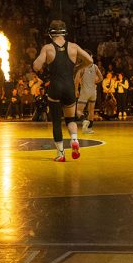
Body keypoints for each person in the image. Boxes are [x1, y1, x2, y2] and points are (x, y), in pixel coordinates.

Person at [33, 19, 93, 162]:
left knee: (56, 122)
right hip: (69, 87)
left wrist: (44, 69)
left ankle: (61, 154)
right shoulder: (73, 46)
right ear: (64, 32)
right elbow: (90, 61)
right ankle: (74, 140)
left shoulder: (48, 48)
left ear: (51, 33)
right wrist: (77, 67)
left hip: (55, 87)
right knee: (70, 119)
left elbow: (36, 66)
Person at [75, 61, 103, 133]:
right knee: (91, 110)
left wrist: (76, 90)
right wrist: (94, 82)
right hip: (93, 91)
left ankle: (84, 120)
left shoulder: (82, 67)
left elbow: (76, 80)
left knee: (78, 110)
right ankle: (89, 129)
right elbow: (101, 78)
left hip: (85, 92)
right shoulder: (95, 66)